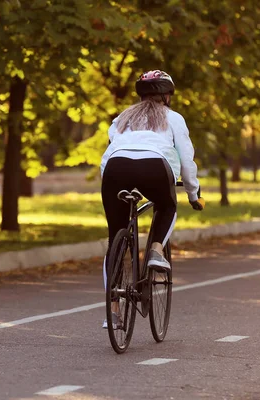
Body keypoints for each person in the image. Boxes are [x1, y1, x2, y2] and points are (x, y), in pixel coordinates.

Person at [100, 69, 204, 329]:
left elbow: (108, 153)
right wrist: (194, 194)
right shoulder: (174, 118)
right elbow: (186, 159)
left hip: (116, 169)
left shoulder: (121, 119)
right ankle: (156, 250)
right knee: (167, 206)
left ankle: (112, 310)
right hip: (155, 167)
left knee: (116, 236)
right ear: (167, 96)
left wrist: (110, 186)